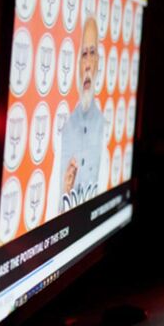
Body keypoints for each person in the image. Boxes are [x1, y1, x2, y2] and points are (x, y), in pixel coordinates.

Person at [59, 15, 105, 211]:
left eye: (92, 53)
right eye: (83, 54)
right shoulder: (64, 129)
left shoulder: (105, 127)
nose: (87, 65)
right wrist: (66, 190)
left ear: (98, 62)